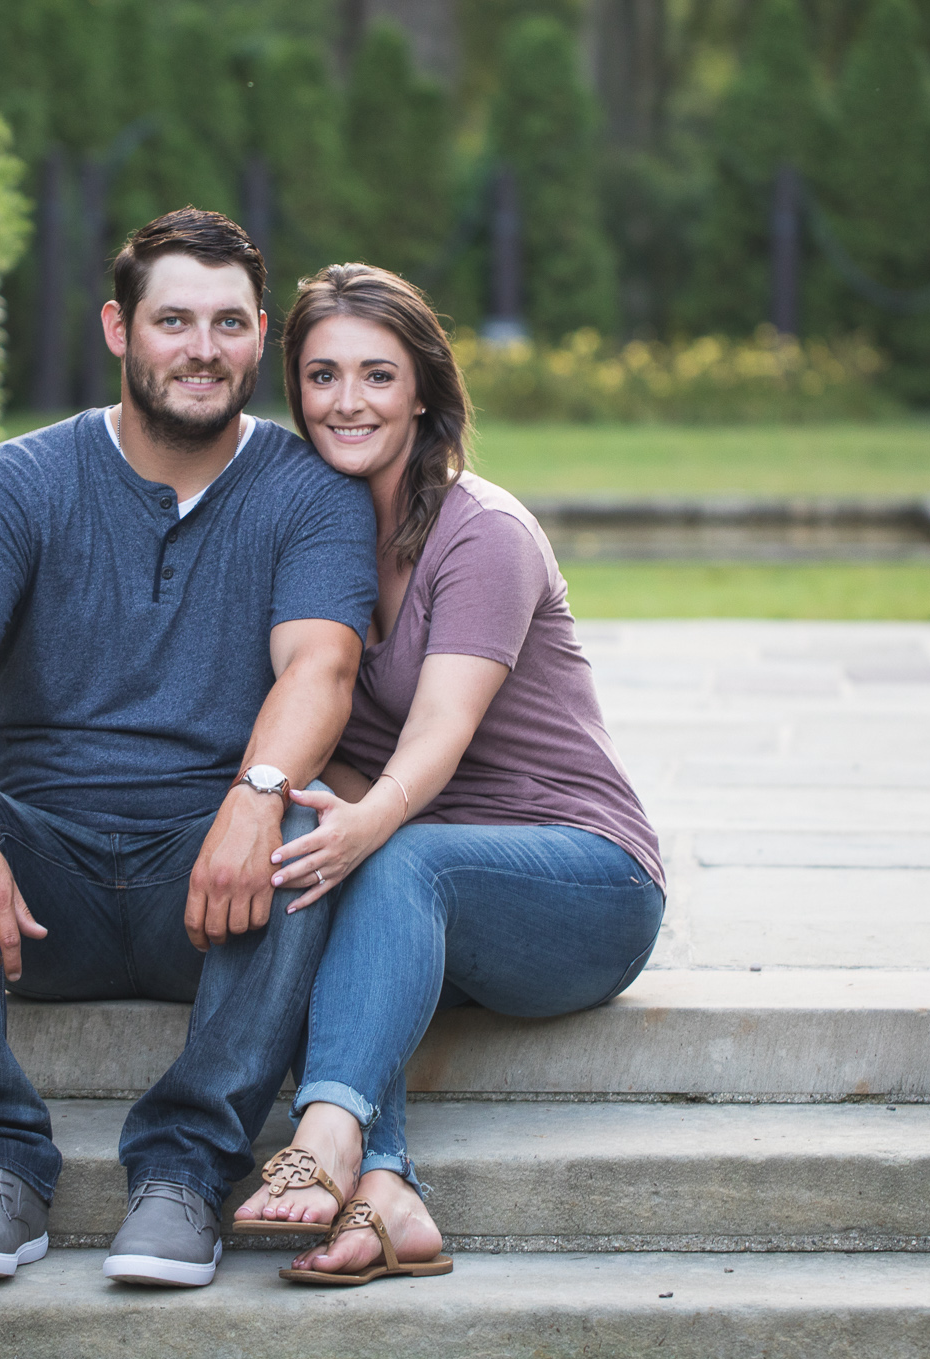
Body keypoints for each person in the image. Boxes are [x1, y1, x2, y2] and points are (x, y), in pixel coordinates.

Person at [0, 208, 376, 1289]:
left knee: (304, 813)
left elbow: (318, 670)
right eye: (174, 320)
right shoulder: (16, 480)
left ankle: (189, 1174)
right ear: (118, 328)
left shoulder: (310, 495)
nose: (203, 348)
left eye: (230, 324)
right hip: (27, 898)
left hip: (210, 894)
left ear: (256, 341)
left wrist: (253, 800)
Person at [228, 264, 666, 1286]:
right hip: (426, 878)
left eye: (377, 376)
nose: (347, 402)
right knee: (341, 858)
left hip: (584, 884)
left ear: (421, 389)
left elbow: (435, 736)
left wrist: (357, 816)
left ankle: (328, 1138)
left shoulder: (483, 531)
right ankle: (387, 1197)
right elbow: (322, 717)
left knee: (380, 852)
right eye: (322, 375)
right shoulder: (319, 528)